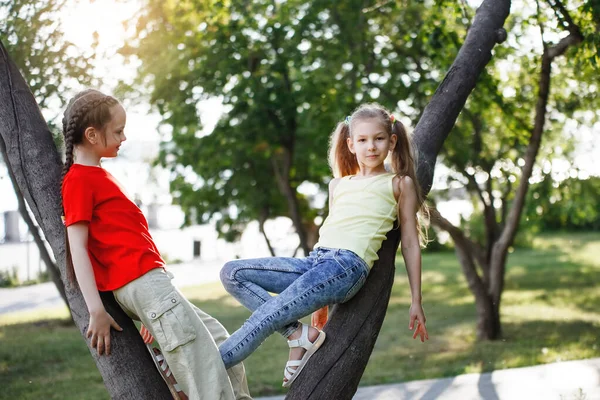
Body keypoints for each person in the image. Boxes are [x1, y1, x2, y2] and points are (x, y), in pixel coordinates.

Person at [219, 103, 429, 388]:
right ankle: (297, 335)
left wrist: (416, 300)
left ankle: (207, 365)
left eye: (379, 139)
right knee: (232, 273)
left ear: (392, 141)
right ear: (351, 144)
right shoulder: (338, 185)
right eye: (363, 140)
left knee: (268, 316)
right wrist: (320, 305)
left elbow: (410, 244)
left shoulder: (399, 183)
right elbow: (329, 236)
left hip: (346, 268)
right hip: (316, 262)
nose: (371, 147)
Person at [61, 89, 252, 400]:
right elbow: (78, 247)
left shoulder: (98, 176)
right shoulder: (79, 180)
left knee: (219, 341)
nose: (124, 137)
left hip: (153, 288)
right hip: (144, 285)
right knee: (201, 367)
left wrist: (150, 313)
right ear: (92, 135)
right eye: (118, 131)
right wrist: (96, 310)